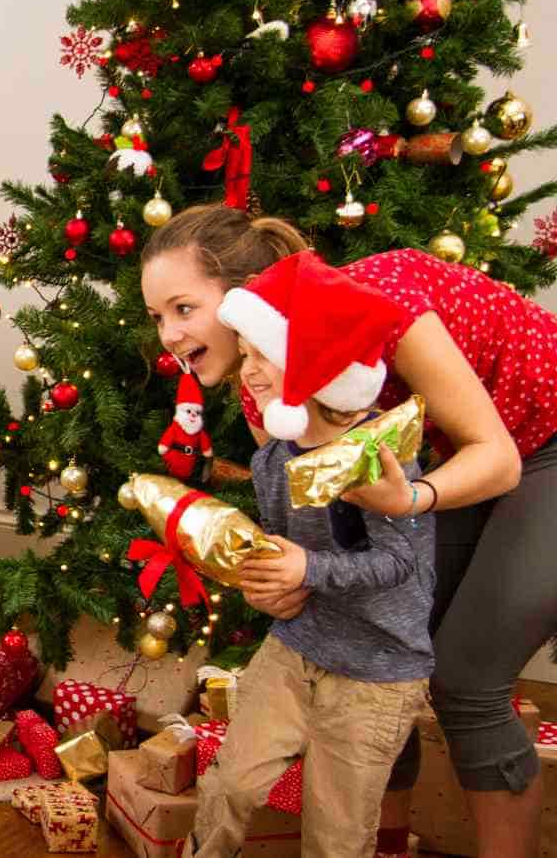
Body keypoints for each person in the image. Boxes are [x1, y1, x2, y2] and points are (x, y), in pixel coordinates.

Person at [142, 203, 557, 858]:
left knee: (466, 679)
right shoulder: (263, 391)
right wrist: (283, 582)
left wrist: (410, 498)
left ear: (248, 295)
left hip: (534, 444)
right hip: (450, 460)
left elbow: (497, 459)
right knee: (379, 648)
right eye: (156, 316)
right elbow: (322, 536)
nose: (168, 334)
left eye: (183, 308)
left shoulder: (382, 303)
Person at [181, 250, 434, 857]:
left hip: (377, 671)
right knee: (230, 784)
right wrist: (269, 581)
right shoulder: (272, 459)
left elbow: (400, 562)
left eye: (261, 355)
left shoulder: (379, 453)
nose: (247, 371)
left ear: (313, 360)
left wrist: (309, 568)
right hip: (297, 648)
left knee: (337, 831)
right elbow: (282, 550)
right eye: (244, 355)